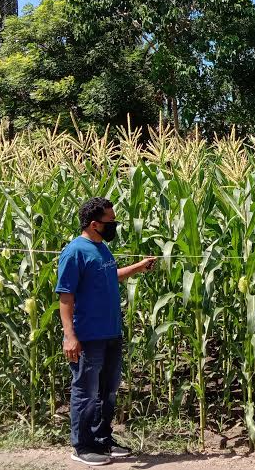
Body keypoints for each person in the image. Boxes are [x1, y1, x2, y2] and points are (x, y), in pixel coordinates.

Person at [56, 197, 156, 466]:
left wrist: (138, 267)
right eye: (110, 221)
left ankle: (102, 440)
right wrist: (70, 335)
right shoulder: (75, 252)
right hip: (88, 335)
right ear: (93, 224)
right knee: (85, 391)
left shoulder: (101, 249)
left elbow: (109, 277)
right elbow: (65, 297)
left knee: (107, 391)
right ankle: (82, 446)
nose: (114, 225)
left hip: (111, 332)